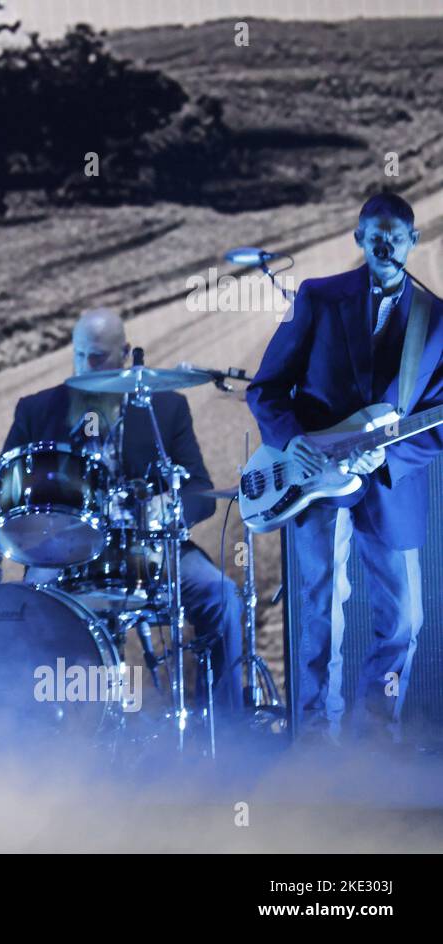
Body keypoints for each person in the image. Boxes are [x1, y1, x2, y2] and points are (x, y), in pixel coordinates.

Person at [247, 192, 443, 742]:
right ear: (358, 237)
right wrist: (292, 444)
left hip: (391, 484)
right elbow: (266, 391)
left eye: (396, 235)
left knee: (404, 619)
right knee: (320, 616)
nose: (384, 243)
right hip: (314, 481)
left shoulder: (437, 319)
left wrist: (392, 454)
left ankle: (375, 741)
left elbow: (438, 423)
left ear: (413, 241)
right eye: (374, 233)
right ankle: (314, 740)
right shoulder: (318, 297)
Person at [0, 308, 245, 713]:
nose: (88, 366)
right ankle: (36, 732)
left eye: (99, 357)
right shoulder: (37, 410)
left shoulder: (166, 408)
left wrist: (168, 509)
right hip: (64, 550)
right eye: (81, 355)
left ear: (124, 353)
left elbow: (199, 489)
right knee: (29, 606)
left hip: (149, 548)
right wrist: (35, 521)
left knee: (221, 595)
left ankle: (225, 730)